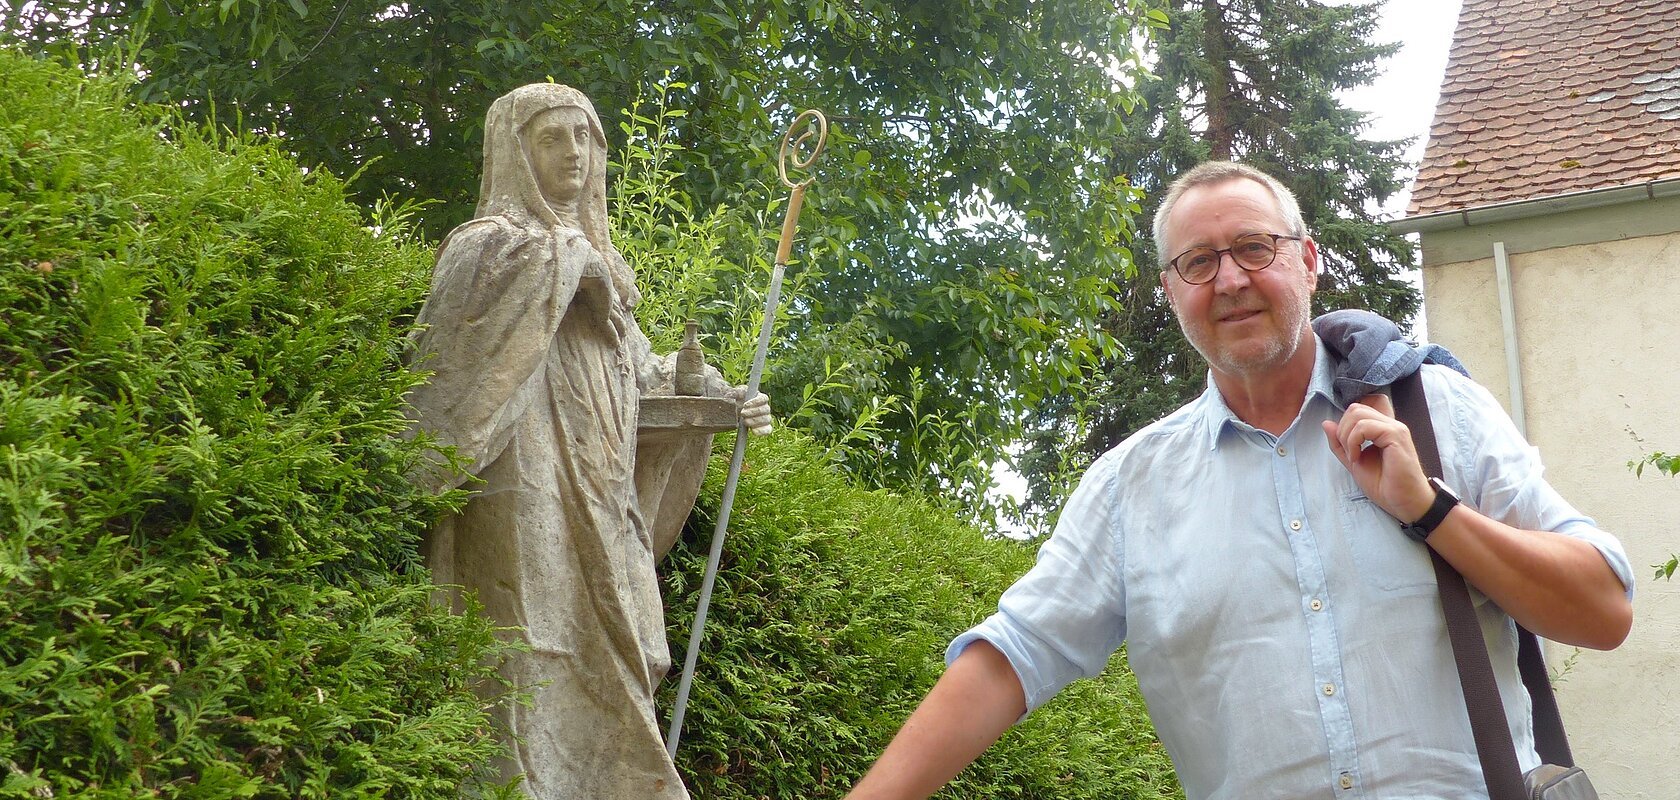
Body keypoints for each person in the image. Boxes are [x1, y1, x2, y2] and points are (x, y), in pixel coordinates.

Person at [845, 161, 1633, 800]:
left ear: (1308, 259)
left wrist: (1429, 510)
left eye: (1255, 247)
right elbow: (1015, 653)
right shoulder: (1132, 487)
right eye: (1198, 261)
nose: (1229, 280)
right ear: (1171, 291)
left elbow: (1603, 609)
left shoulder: (1435, 414)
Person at [405, 83, 769, 800]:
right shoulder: (485, 248)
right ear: (515, 155)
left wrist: (716, 390)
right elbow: (449, 373)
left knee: (631, 650)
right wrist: (573, 262)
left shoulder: (609, 282)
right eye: (552, 138)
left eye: (584, 139)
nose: (573, 153)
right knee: (528, 653)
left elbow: (645, 376)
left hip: (602, 498)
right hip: (521, 495)